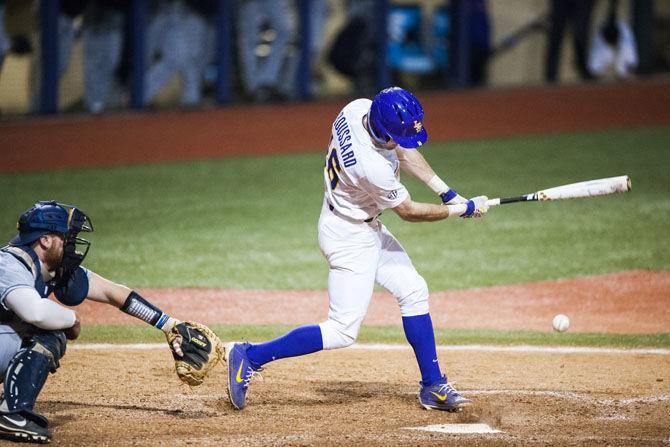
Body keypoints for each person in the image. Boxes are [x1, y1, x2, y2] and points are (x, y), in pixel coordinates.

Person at [225, 87, 489, 412]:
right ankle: (250, 355)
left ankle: (432, 385)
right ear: (382, 130)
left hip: (360, 223)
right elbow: (408, 211)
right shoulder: (371, 166)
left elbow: (403, 151)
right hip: (349, 238)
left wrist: (448, 194)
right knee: (341, 331)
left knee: (413, 289)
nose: (400, 141)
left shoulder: (358, 109)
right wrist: (460, 210)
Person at [0, 201, 216, 443]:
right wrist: (72, 319)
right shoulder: (11, 264)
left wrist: (168, 325)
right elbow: (35, 313)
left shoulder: (52, 269)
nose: (71, 244)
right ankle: (11, 413)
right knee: (48, 332)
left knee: (46, 329)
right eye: (66, 237)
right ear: (46, 240)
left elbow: (114, 293)